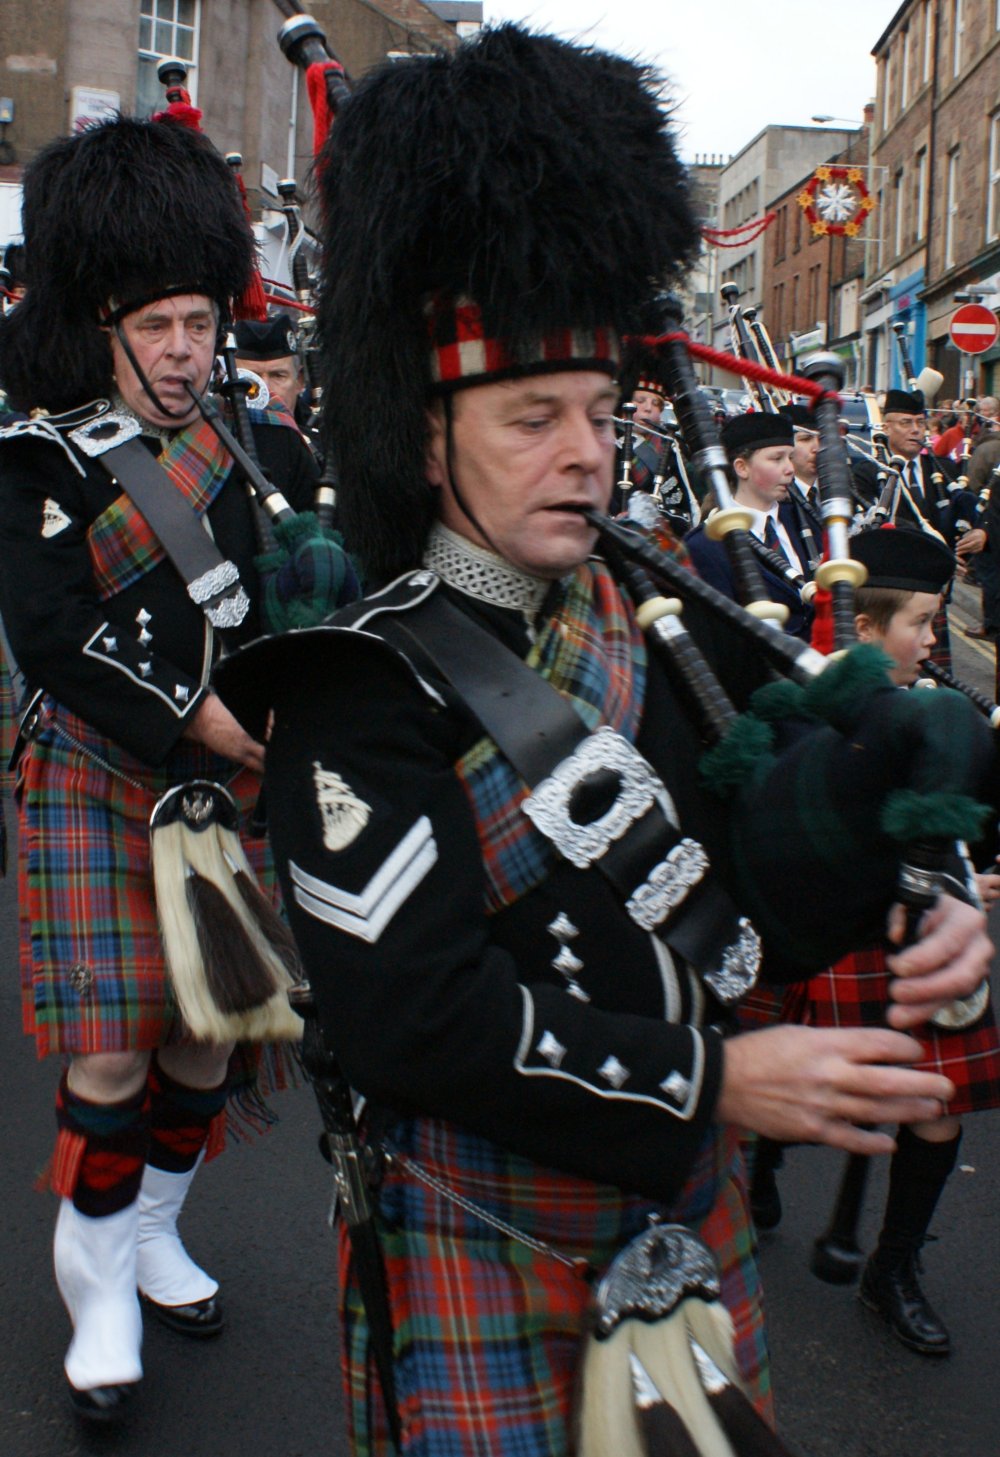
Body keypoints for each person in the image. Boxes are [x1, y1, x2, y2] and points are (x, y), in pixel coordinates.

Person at [216, 28, 992, 1455]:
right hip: (484, 1220)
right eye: (532, 418)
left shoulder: (640, 616)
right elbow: (413, 1020)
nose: (586, 452)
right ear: (427, 440)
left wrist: (911, 881)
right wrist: (718, 1085)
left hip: (671, 1215)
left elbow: (736, 890)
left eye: (593, 413)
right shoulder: (351, 687)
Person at [0, 116, 327, 1422]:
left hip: (226, 787)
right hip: (98, 768)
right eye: (163, 326)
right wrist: (199, 713)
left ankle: (147, 1231)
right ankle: (94, 1288)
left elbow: (293, 609)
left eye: (203, 322)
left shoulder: (258, 454)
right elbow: (52, 635)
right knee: (112, 1051)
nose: (190, 350)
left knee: (212, 1037)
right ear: (103, 323)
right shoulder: (39, 459)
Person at [756, 526, 1000, 1357]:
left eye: (939, 621)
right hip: (831, 930)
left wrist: (976, 865)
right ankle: (757, 1167)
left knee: (933, 1111)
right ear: (863, 628)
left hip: (924, 929)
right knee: (796, 1087)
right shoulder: (803, 697)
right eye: (922, 622)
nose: (935, 639)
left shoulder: (943, 700)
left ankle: (890, 1268)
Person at [684, 412, 815, 638]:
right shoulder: (706, 545)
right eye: (776, 459)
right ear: (741, 467)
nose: (790, 469)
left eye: (790, 457)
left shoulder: (805, 520)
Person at [233, 312, 309, 428]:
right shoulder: (212, 441)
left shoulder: (321, 443)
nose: (266, 389)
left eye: (278, 376)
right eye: (252, 378)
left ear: (299, 381)